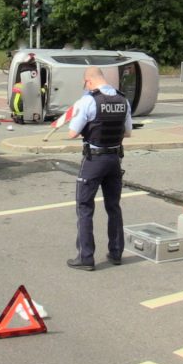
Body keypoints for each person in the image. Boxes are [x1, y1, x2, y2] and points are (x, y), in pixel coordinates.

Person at [66, 66, 133, 271]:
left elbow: (72, 133)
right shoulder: (123, 100)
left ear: (89, 81)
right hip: (114, 159)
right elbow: (128, 133)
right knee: (113, 207)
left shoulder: (88, 101)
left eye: (85, 84)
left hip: (94, 160)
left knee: (85, 207)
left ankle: (86, 257)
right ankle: (116, 252)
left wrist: (75, 115)